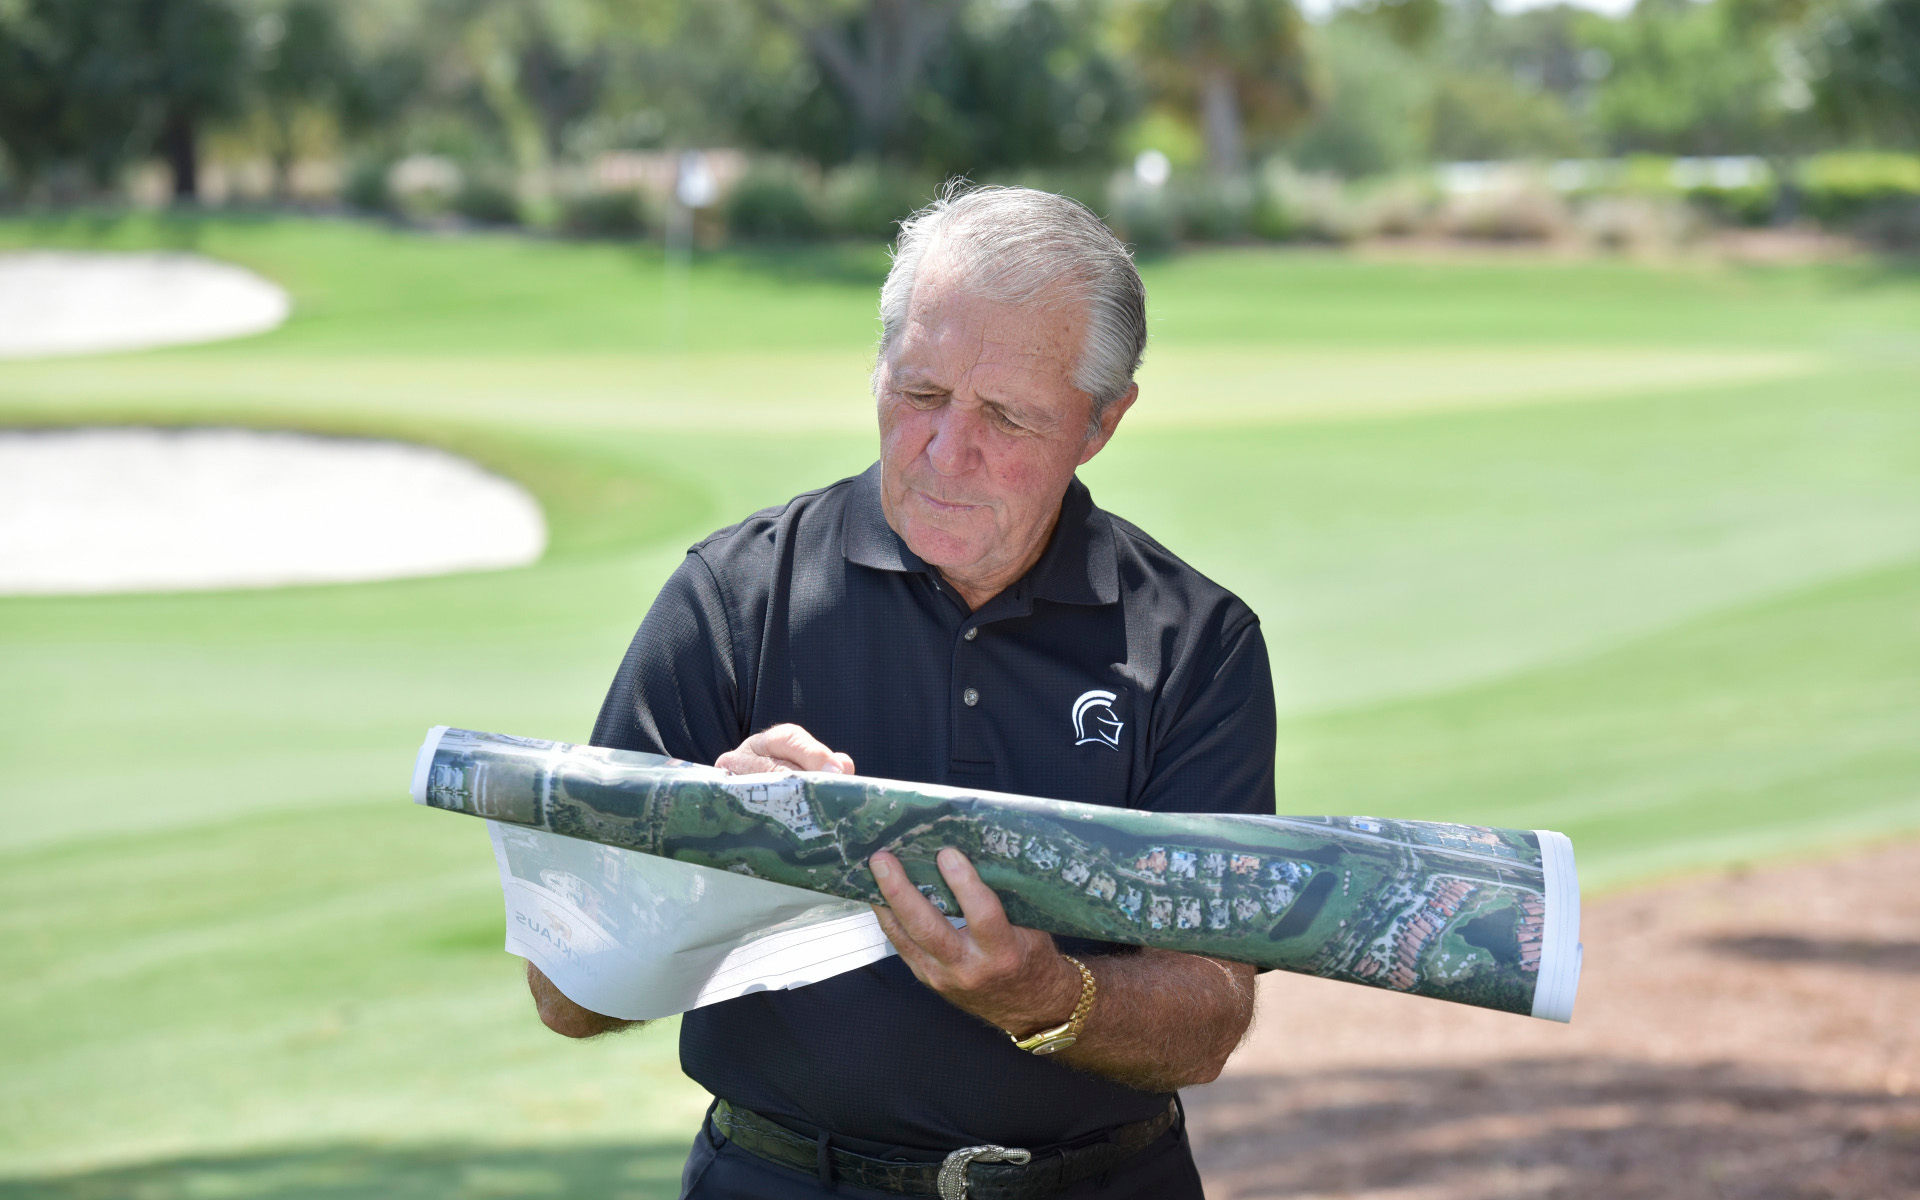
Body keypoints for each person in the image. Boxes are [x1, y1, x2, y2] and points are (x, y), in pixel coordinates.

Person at [525, 184, 1278, 1200]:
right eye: (921, 393)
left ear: (1102, 422)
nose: (946, 451)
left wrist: (1047, 994)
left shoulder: (1196, 643)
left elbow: (1210, 1016)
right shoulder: (734, 598)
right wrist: (718, 854)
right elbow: (565, 995)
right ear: (879, 367)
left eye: (1006, 416)